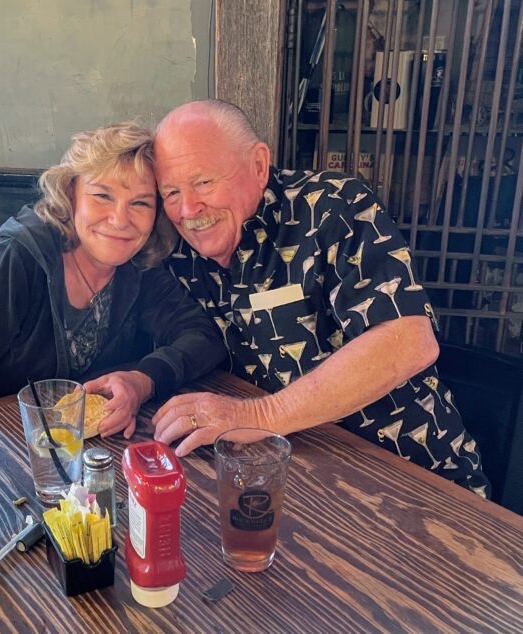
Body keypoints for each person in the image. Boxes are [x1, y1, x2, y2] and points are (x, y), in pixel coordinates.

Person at [150, 99, 490, 496]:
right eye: (171, 192)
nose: (188, 209)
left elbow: (409, 342)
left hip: (416, 478)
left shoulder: (333, 206)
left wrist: (259, 415)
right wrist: (140, 381)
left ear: (258, 165)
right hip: (296, 478)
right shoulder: (179, 252)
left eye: (204, 182)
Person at [0, 122, 225, 439]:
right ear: (70, 195)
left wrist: (142, 381)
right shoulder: (17, 262)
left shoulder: (138, 267)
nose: (120, 220)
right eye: (102, 195)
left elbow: (202, 336)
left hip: (49, 442)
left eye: (140, 203)